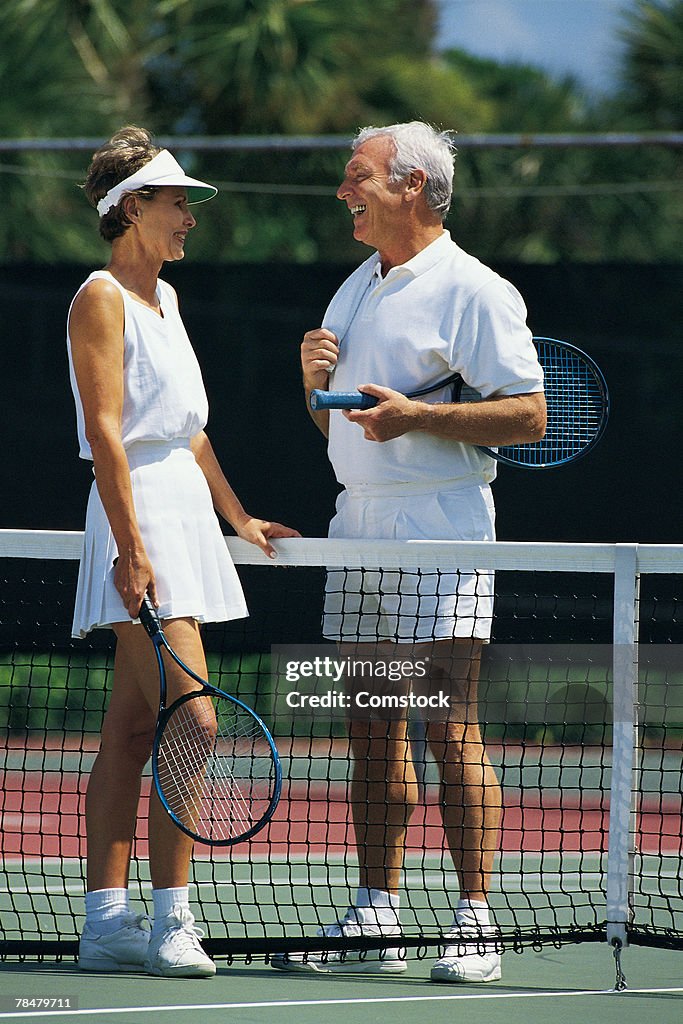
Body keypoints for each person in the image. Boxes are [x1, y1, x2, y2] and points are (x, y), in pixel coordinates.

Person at [270, 122, 545, 983]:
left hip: (441, 524)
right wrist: (312, 382)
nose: (344, 190)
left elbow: (529, 415)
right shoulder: (353, 288)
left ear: (413, 186)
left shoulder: (475, 290)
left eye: (359, 176)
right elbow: (338, 427)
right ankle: (376, 914)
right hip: (358, 526)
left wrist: (421, 415)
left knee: (446, 724)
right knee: (368, 727)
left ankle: (475, 923)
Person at [67, 126, 299, 978]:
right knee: (194, 722)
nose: (188, 217)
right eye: (175, 203)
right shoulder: (100, 298)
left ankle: (103, 924)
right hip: (136, 524)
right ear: (132, 209)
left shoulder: (168, 302)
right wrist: (132, 550)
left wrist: (237, 519)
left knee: (132, 729)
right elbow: (105, 435)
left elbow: (190, 435)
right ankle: (172, 922)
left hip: (184, 523)